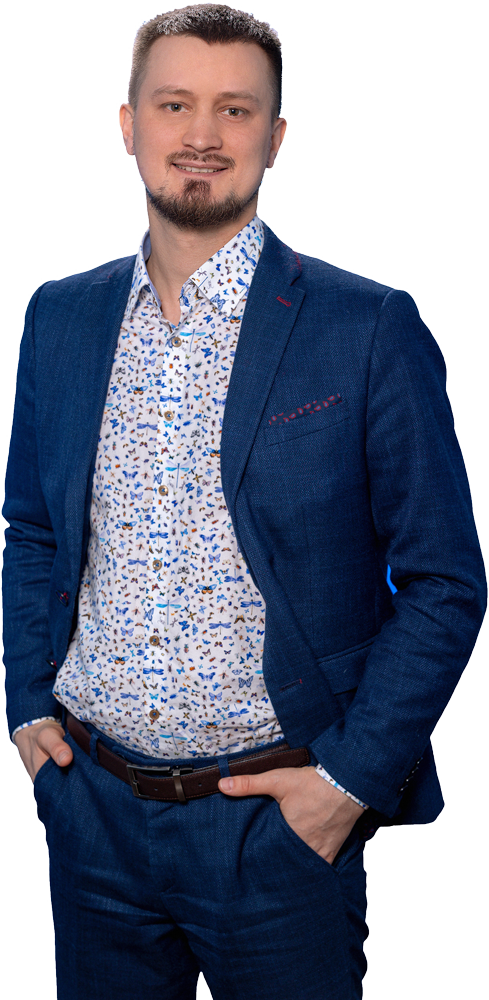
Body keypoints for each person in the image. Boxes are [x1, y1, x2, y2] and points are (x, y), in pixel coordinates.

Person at [2, 5, 486, 999]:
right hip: (92, 816)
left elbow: (444, 580)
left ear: (275, 136)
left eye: (235, 109)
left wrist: (345, 786)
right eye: (173, 104)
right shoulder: (61, 316)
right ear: (128, 124)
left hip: (276, 829)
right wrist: (28, 708)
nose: (202, 134)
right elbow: (35, 530)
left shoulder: (366, 327)